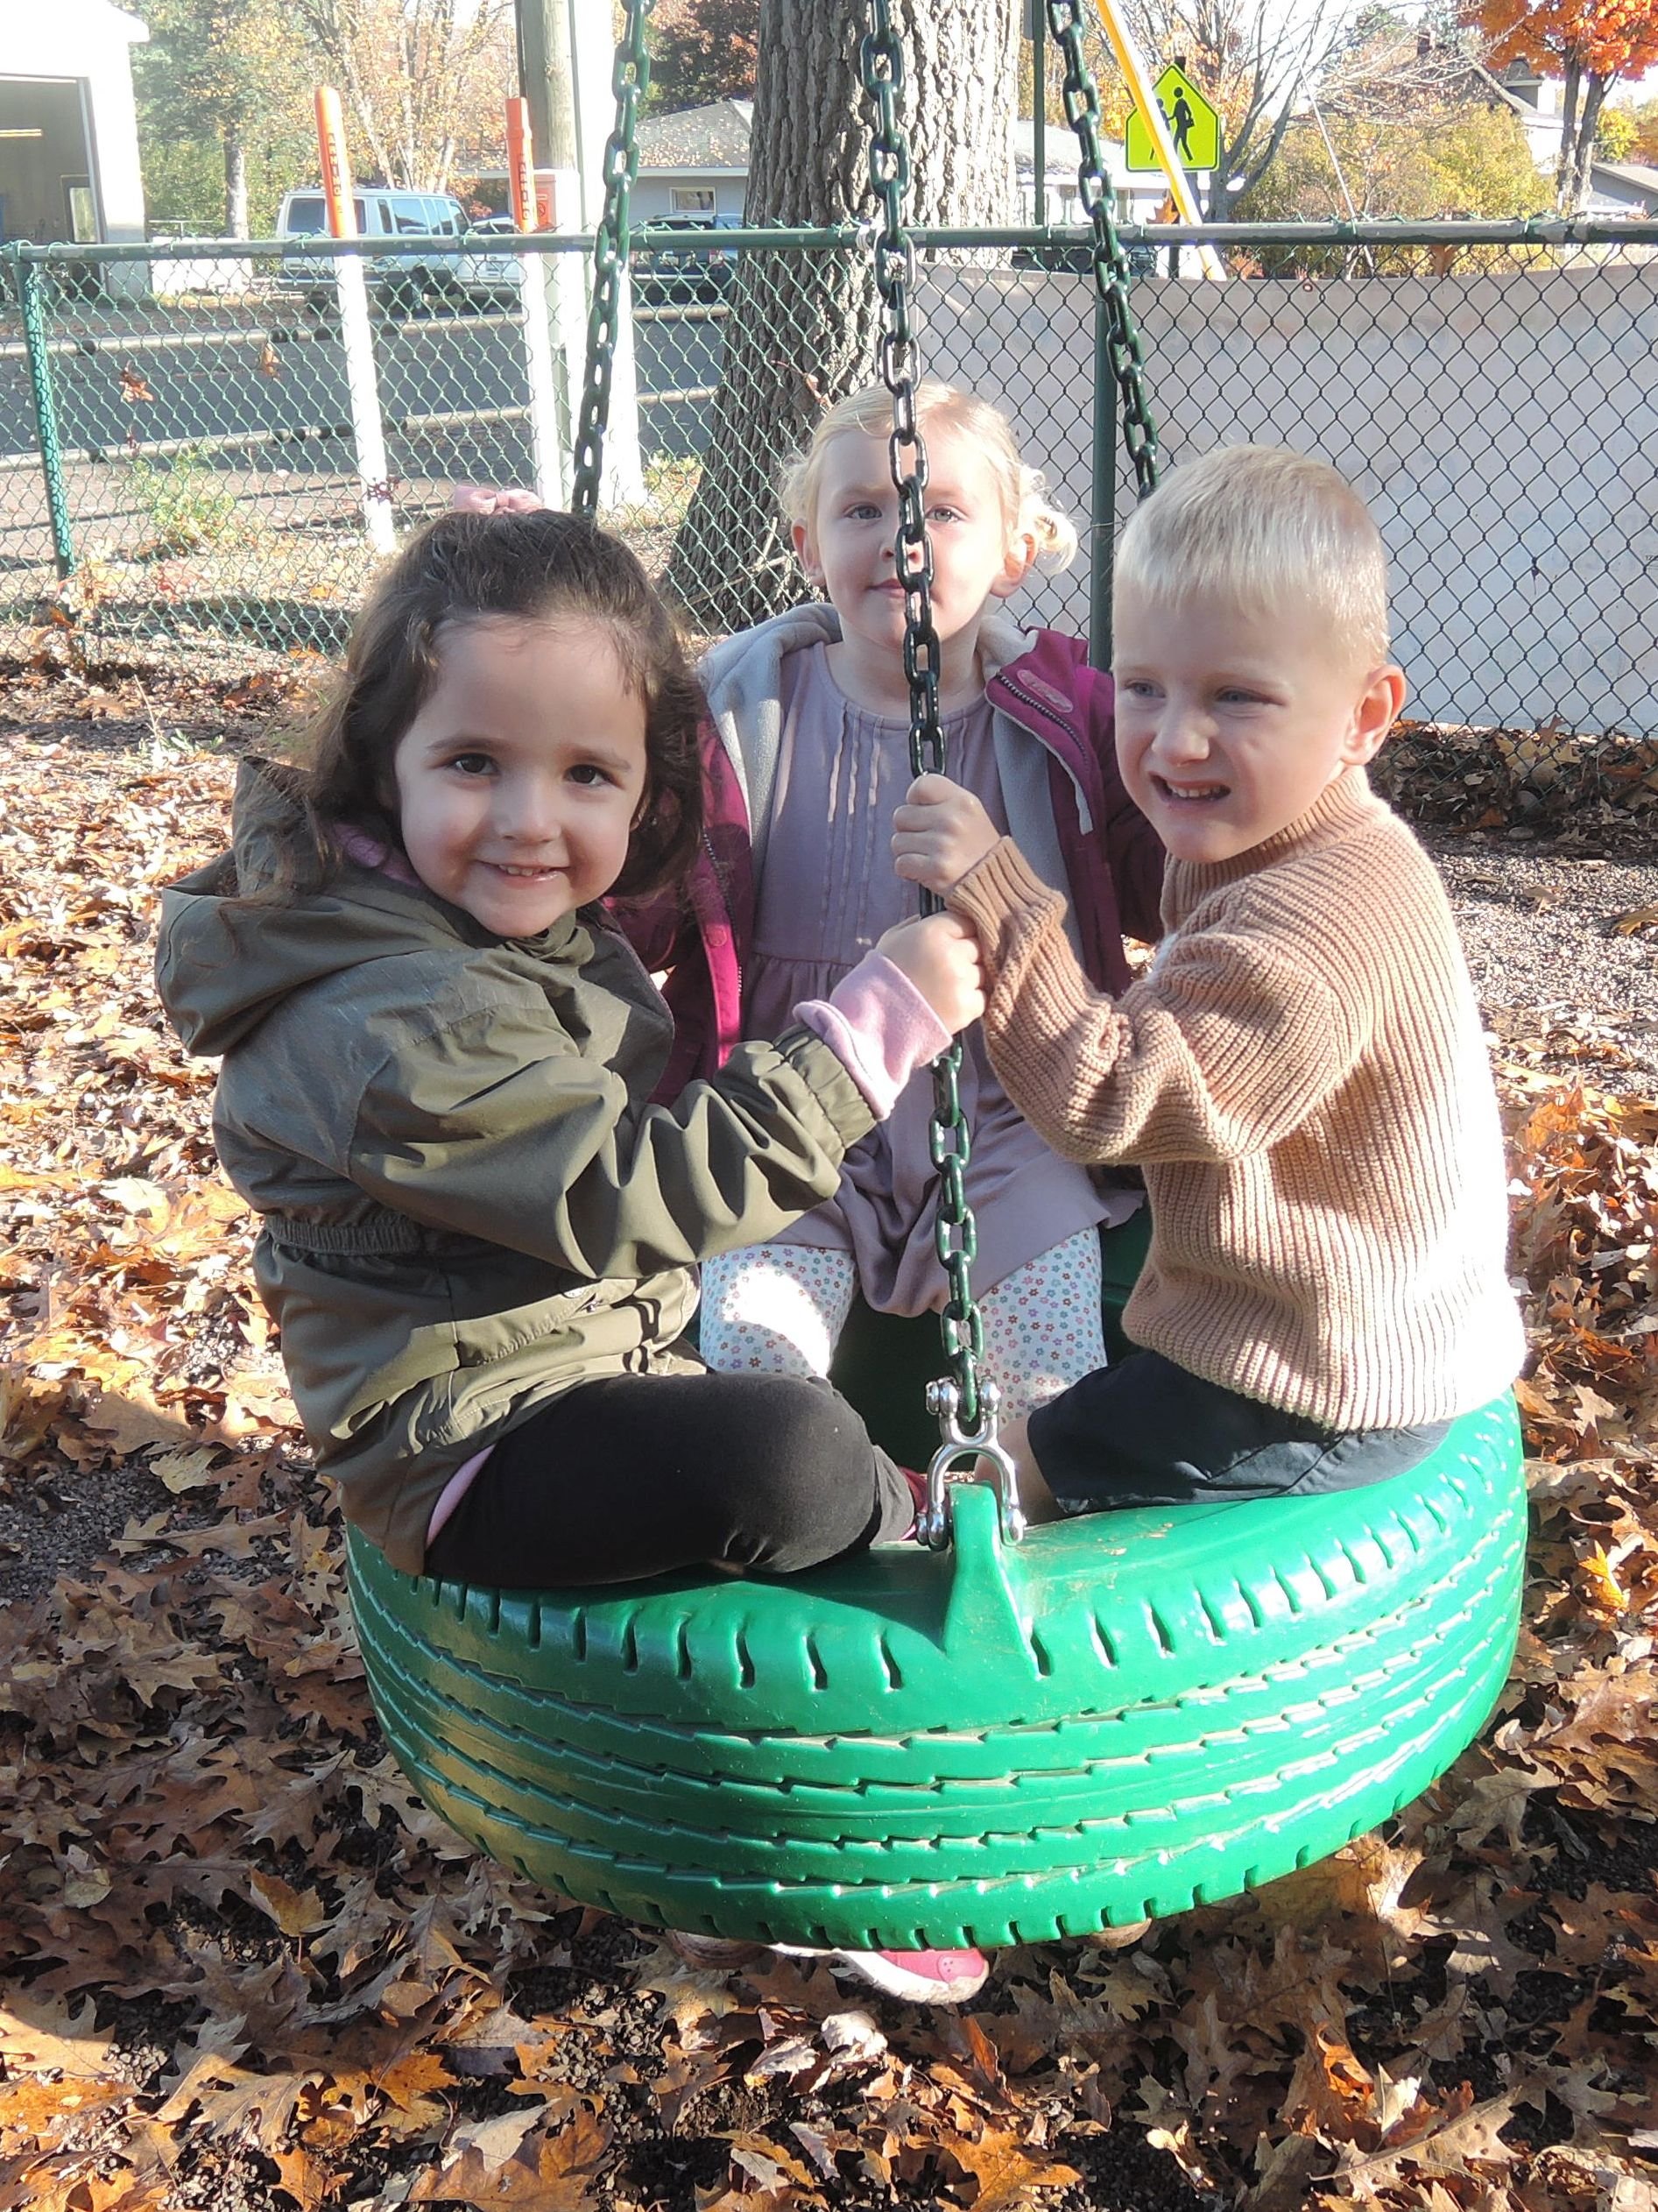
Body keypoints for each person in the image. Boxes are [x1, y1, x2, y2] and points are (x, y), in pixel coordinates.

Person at [154, 507, 992, 2005]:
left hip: (563, 1365)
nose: (530, 820)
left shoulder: (468, 925)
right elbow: (615, 1192)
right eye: (474, 763)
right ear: (381, 762)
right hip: (469, 1441)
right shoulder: (389, 1017)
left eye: (586, 774)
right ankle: (840, 1831)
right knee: (791, 1455)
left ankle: (793, 1685)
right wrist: (870, 1036)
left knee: (758, 1388)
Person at [892, 443, 1524, 1518]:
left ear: (1366, 716)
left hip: (1318, 1378)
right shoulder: (1281, 831)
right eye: (1141, 686)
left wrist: (1001, 892)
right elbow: (1182, 925)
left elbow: (1110, 1095)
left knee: (1035, 1458)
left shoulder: (1320, 920)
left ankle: (925, 1544)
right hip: (1345, 1314)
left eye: (1237, 695)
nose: (1178, 737)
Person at [660, 381, 1165, 1421]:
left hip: (1009, 1111)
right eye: (863, 511)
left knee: (1047, 1379)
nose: (901, 537)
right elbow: (648, 888)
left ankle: (1021, 1509)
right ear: (808, 544)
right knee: (755, 1351)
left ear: (1014, 550)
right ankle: (804, 1504)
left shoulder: (1070, 717)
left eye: (941, 512)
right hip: (792, 1108)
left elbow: (1171, 872)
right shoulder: (738, 706)